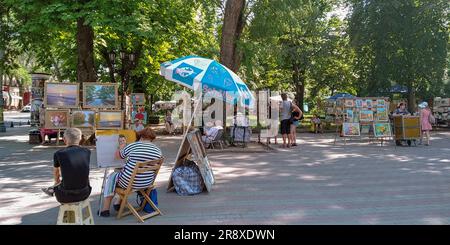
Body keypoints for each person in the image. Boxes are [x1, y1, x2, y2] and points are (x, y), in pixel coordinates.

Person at [99, 127, 163, 217]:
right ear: (152, 138)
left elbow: (118, 156)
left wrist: (121, 147)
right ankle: (118, 203)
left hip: (131, 183)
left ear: (141, 136)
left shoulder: (134, 145)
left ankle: (105, 209)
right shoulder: (158, 150)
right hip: (146, 183)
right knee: (126, 175)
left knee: (112, 177)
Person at [41, 128, 92, 204]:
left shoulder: (59, 154)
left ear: (64, 139)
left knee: (59, 184)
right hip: (85, 193)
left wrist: (56, 184)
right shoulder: (87, 152)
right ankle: (53, 189)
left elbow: (56, 174)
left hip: (65, 196)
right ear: (80, 138)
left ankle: (52, 189)